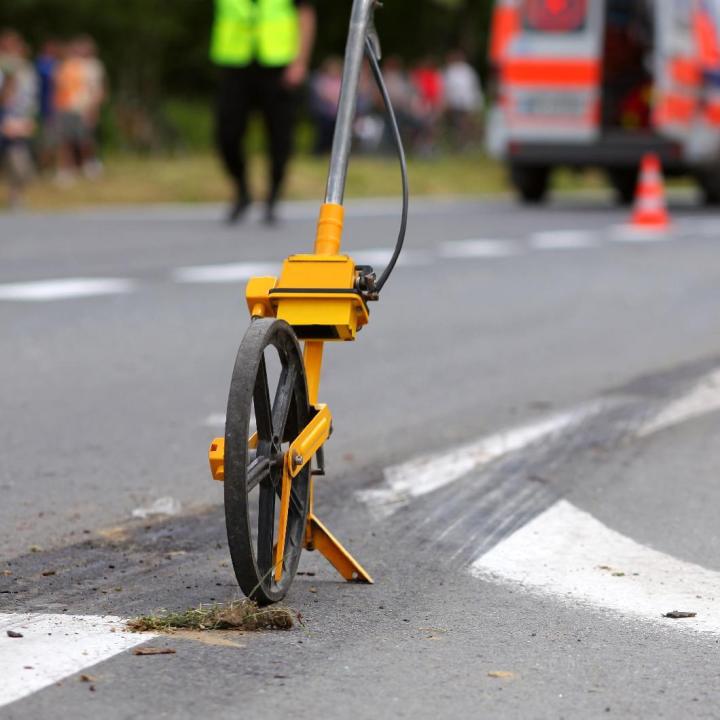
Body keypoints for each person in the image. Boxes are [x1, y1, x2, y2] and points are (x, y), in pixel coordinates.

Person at [211, 0, 316, 225]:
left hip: (278, 64)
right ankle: (242, 190)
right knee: (227, 133)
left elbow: (305, 15)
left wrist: (300, 62)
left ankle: (273, 196)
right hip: (235, 63)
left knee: (280, 136)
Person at [0, 29, 37, 209]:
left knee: (19, 161)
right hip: (5, 119)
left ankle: (15, 196)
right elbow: (4, 98)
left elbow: (30, 97)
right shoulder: (3, 68)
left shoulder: (26, 69)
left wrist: (28, 119)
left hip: (19, 120)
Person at [443, 50, 483, 149]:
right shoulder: (449, 71)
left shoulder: (468, 71)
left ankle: (468, 144)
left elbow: (474, 87)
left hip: (468, 103)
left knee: (468, 124)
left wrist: (477, 103)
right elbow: (447, 88)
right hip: (455, 104)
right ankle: (459, 145)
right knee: (459, 125)